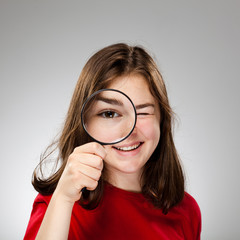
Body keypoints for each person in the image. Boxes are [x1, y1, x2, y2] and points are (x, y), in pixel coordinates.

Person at [24, 43, 201, 240]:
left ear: (162, 121)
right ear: (84, 122)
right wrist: (63, 200)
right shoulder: (56, 206)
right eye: (109, 113)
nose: (130, 130)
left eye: (142, 112)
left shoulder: (186, 210)